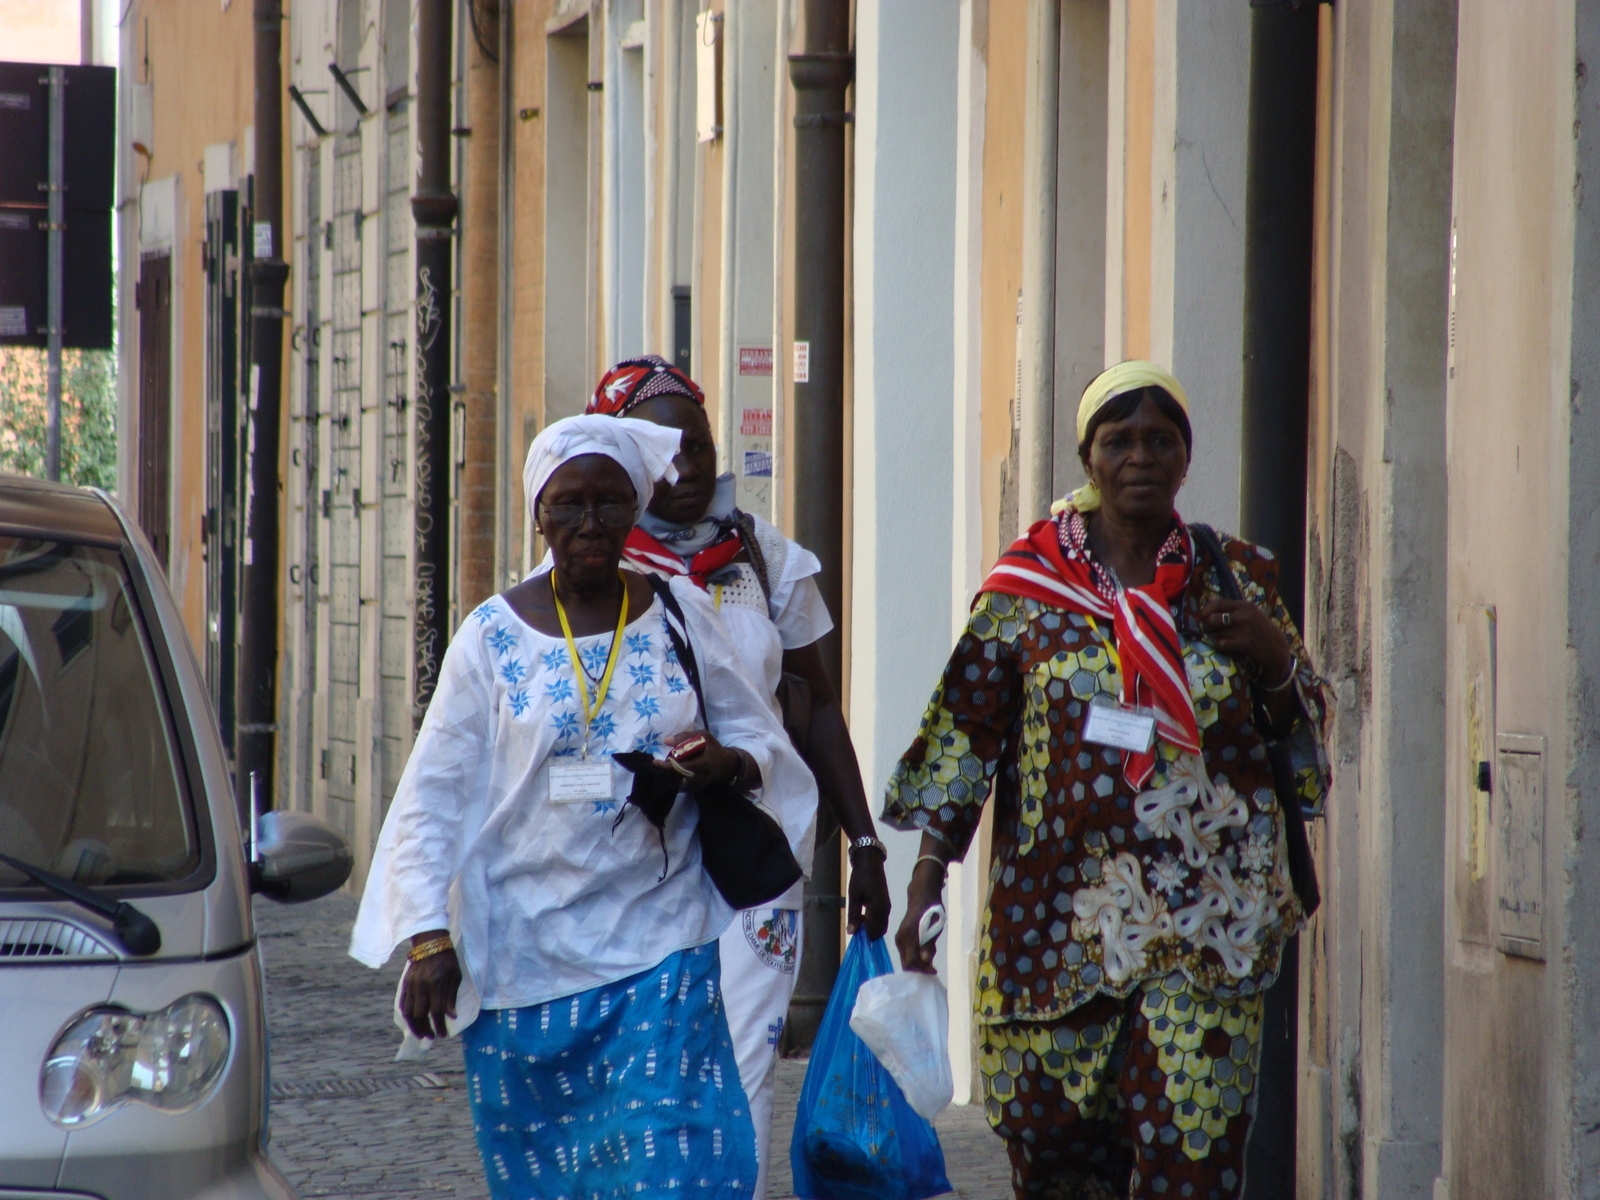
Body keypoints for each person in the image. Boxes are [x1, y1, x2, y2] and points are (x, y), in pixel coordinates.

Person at [883, 361, 1332, 1200]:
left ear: (1186, 460)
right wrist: (924, 883)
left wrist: (1273, 665)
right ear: (1088, 458)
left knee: (1192, 1167)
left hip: (1208, 928)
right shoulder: (1027, 591)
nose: (1140, 457)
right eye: (1118, 440)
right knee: (1057, 1171)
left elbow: (1304, 747)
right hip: (1054, 932)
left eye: (1161, 440)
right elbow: (964, 741)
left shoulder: (1237, 577)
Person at [351, 413, 816, 1200]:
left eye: (610, 503)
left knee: (680, 1172)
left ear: (636, 510)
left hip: (660, 948)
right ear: (540, 513)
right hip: (524, 964)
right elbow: (432, 796)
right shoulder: (489, 640)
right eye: (569, 505)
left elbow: (758, 739)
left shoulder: (679, 612)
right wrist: (428, 940)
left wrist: (723, 765)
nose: (590, 524)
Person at [585, 355, 892, 1197]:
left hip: (756, 853)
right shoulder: (589, 570)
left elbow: (820, 710)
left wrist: (864, 842)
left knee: (743, 1065)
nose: (688, 469)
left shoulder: (765, 557)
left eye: (700, 443)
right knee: (647, 1071)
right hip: (634, 863)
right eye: (664, 451)